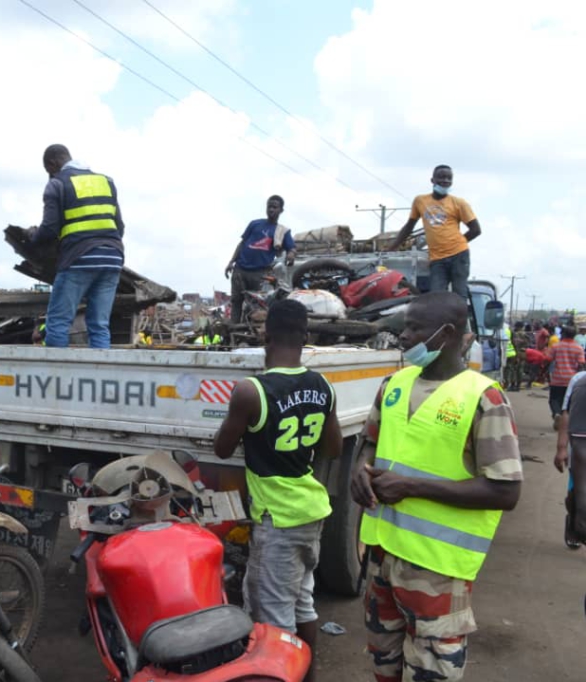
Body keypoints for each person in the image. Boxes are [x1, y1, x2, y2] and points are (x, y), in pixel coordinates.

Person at [351, 292, 521, 682]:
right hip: (382, 558)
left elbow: (506, 492)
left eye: (413, 328)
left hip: (438, 571)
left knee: (431, 672)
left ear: (445, 334)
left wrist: (412, 487)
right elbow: (369, 444)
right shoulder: (393, 384)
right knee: (384, 665)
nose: (403, 336)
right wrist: (360, 470)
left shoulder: (484, 398)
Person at [214, 299, 343, 682]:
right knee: (304, 604)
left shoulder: (250, 391)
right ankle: (309, 677)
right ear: (306, 337)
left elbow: (222, 448)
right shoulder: (322, 386)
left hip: (278, 520)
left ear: (265, 336)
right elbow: (333, 449)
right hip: (311, 512)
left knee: (273, 624)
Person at [25, 144, 125, 349]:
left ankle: (57, 377)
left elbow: (50, 229)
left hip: (78, 259)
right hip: (112, 258)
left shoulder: (57, 184)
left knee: (58, 323)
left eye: (48, 171)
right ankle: (99, 376)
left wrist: (32, 237)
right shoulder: (106, 182)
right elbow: (120, 226)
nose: (49, 176)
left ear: (52, 164)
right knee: (99, 325)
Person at [389, 165, 481, 298]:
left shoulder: (459, 203)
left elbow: (476, 230)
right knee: (437, 296)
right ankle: (441, 320)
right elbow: (409, 226)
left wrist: (456, 244)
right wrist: (393, 247)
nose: (445, 181)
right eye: (441, 177)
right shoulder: (420, 201)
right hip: (437, 259)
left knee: (459, 294)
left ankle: (458, 319)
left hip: (459, 256)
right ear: (432, 180)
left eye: (449, 178)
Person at [225, 196, 296, 325]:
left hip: (260, 274)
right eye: (269, 206)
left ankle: (250, 335)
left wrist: (291, 255)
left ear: (281, 210)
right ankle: (233, 333)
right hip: (240, 270)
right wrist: (231, 262)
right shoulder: (254, 224)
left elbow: (292, 249)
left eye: (275, 207)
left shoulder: (282, 231)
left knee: (256, 308)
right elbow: (242, 243)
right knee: (236, 302)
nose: (271, 209)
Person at [555, 370, 586, 549]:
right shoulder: (579, 379)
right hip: (581, 444)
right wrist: (561, 448)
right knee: (577, 493)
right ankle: (575, 523)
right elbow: (566, 413)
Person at [545, 326, 585, 430]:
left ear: (563, 334)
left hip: (557, 378)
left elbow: (548, 359)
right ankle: (565, 420)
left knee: (554, 399)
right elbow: (581, 364)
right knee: (567, 401)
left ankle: (556, 414)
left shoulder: (556, 347)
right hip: (572, 380)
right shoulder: (578, 348)